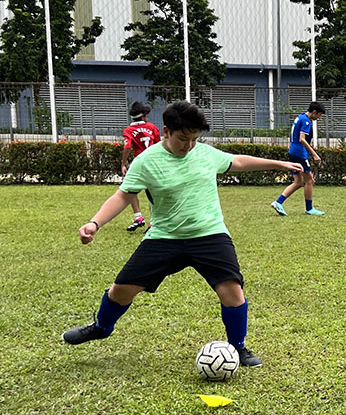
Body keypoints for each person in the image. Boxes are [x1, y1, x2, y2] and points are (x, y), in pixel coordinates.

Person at [61, 100, 304, 368]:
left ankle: (238, 348)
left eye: (194, 139)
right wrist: (95, 223)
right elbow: (122, 196)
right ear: (166, 131)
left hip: (210, 234)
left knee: (232, 291)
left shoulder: (205, 154)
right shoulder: (146, 161)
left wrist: (279, 164)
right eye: (183, 139)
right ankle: (101, 327)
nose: (188, 145)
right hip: (164, 237)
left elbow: (237, 162)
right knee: (121, 291)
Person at [271, 101, 326, 216]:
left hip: (293, 151)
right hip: (300, 153)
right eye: (320, 115)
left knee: (298, 181)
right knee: (310, 180)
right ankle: (309, 209)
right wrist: (314, 154)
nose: (320, 118)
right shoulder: (306, 121)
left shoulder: (300, 117)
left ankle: (278, 202)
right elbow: (302, 139)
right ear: (314, 112)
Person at [121, 101, 161, 232]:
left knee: (130, 189)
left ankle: (138, 217)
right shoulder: (152, 127)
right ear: (143, 116)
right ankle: (154, 222)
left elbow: (127, 146)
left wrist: (123, 163)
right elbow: (158, 145)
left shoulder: (128, 130)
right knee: (153, 193)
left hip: (138, 163)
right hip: (154, 162)